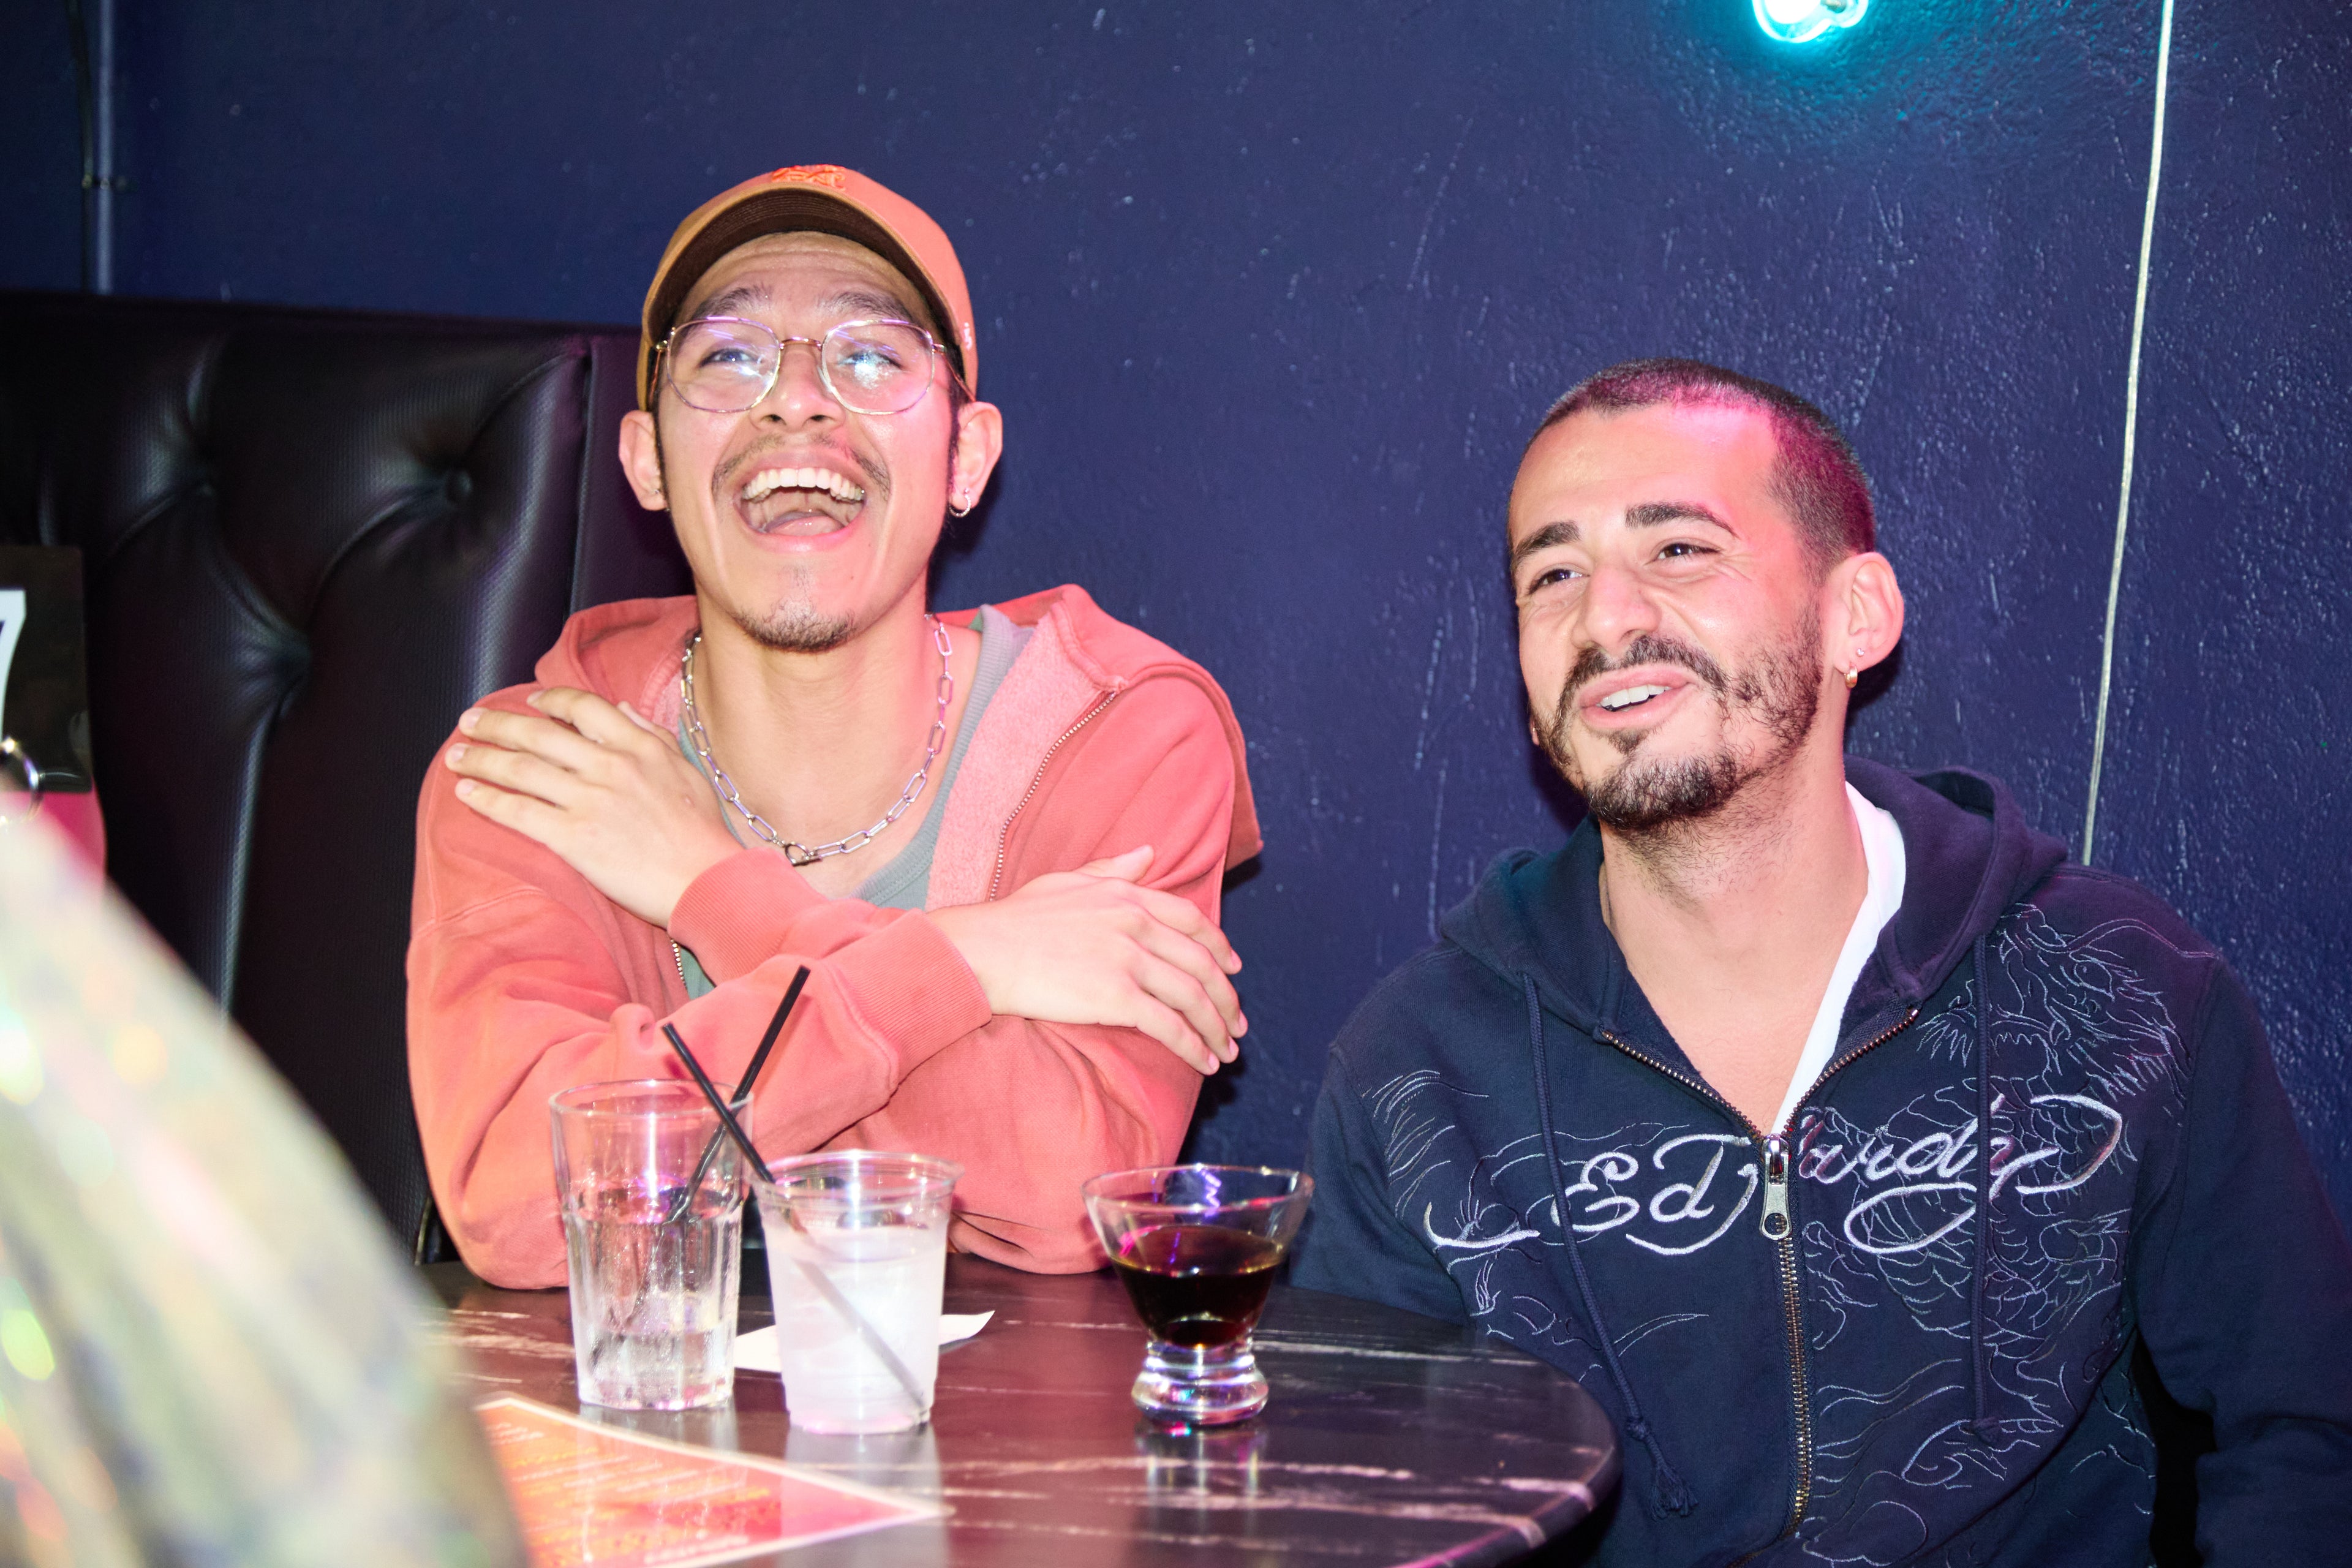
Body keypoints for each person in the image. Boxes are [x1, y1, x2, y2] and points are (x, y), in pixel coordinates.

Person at [1294, 358, 2352, 1563]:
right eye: (1553, 575)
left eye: (1678, 549)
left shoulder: (2120, 984)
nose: (1606, 617)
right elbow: (1357, 1507)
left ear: (1858, 616)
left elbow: (2310, 1431)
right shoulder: (1416, 1070)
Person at [409, 165, 1259, 1289]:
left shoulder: (1124, 733)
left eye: (871, 356)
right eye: (728, 356)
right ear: (647, 462)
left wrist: (712, 886)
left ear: (966, 458)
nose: (798, 400)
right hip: (638, 1400)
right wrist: (967, 961)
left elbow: (1065, 1200)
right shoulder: (541, 765)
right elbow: (524, 1204)